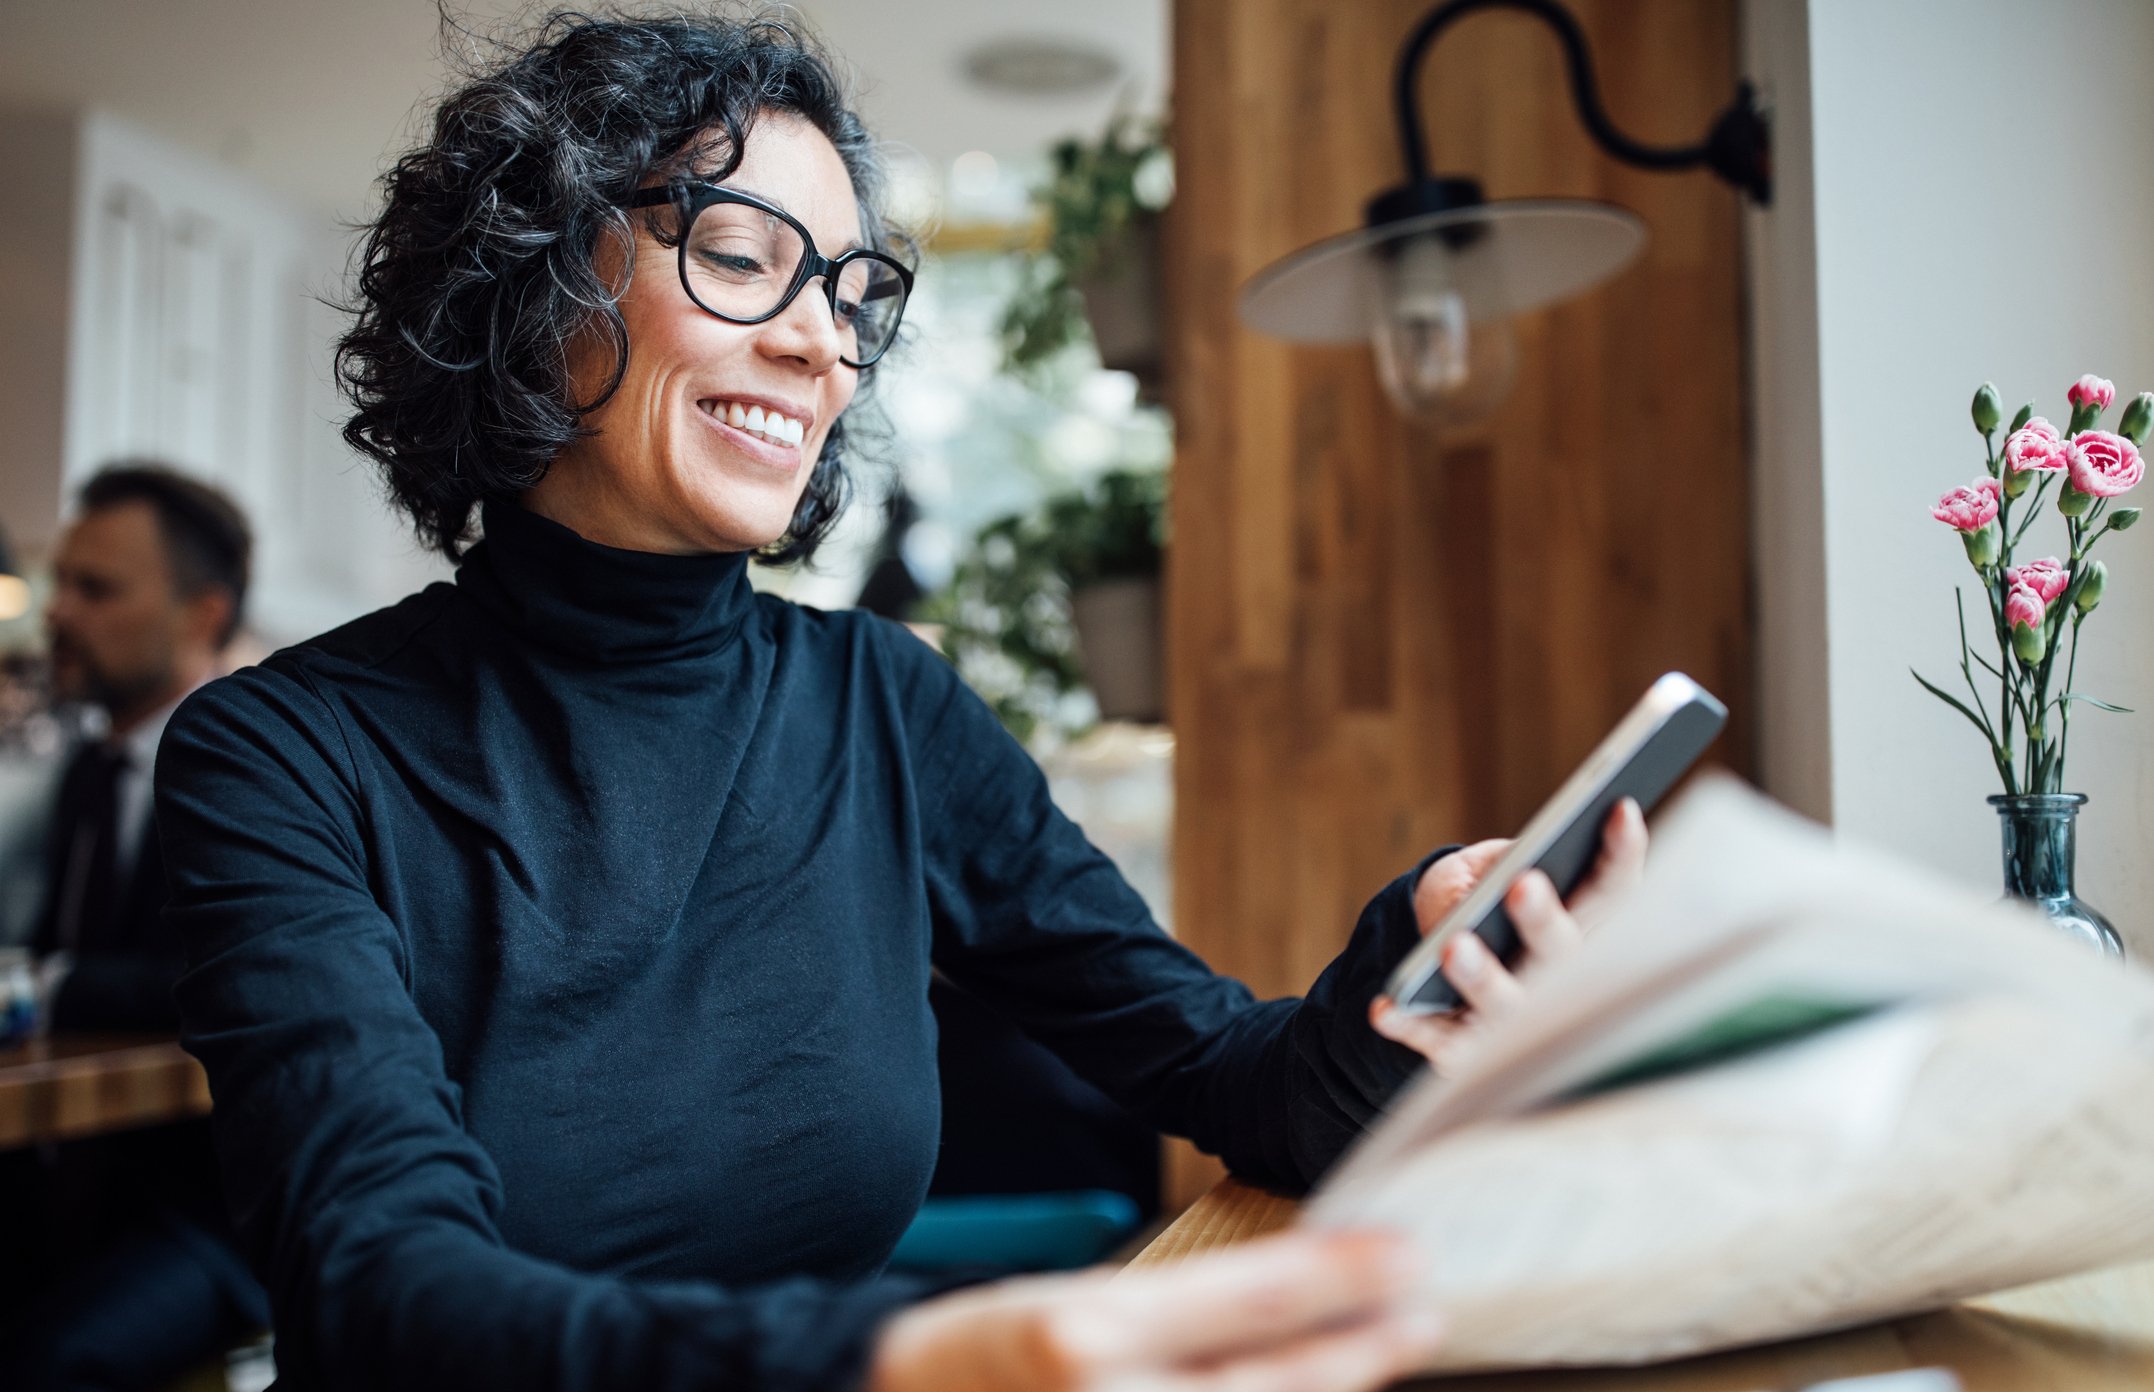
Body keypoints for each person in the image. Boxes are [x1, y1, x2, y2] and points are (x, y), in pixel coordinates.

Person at [153, 12, 1648, 1391]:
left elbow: (1224, 1072)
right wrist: (921, 1357)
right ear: (536, 279)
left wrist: (1423, 956)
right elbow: (383, 1289)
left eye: (849, 290)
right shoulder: (280, 755)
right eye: (741, 255)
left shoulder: (883, 705)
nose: (818, 343)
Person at [0, 463, 268, 1389]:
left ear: (201, 614)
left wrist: (37, 985)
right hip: (68, 1187)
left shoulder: (257, 786)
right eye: (61, 581)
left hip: (208, 1213)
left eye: (95, 588)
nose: (56, 610)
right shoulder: (89, 771)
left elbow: (232, 976)